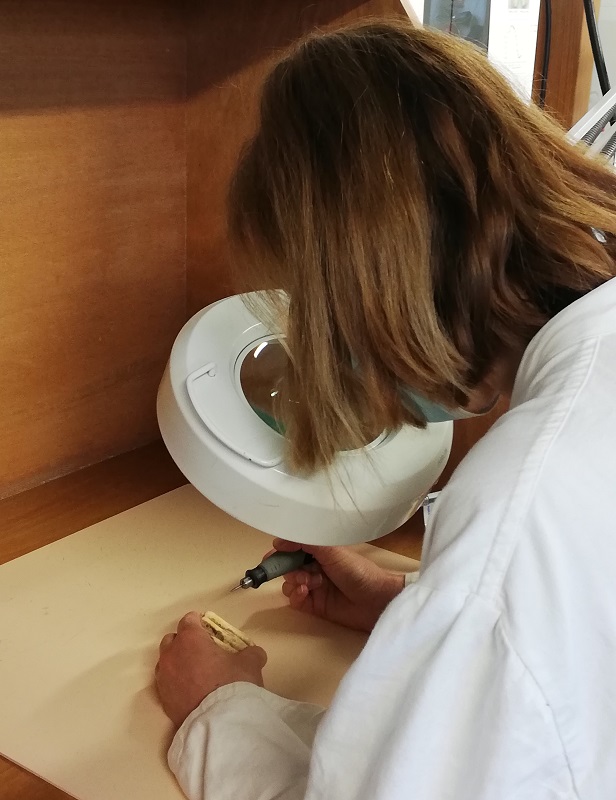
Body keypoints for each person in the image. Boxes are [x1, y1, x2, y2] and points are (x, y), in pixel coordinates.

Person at [155, 18, 616, 800]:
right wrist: (418, 613)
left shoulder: (522, 508)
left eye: (319, 308)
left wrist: (218, 709)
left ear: (376, 283)